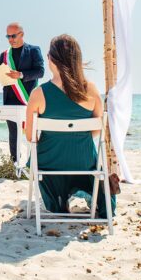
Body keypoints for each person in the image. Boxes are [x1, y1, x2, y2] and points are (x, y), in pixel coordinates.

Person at [24, 34, 116, 217]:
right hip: (84, 162)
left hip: (49, 164)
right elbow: (96, 130)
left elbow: (30, 137)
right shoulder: (91, 89)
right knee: (88, 157)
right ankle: (80, 194)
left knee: (37, 154)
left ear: (51, 59)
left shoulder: (39, 93)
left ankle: (64, 197)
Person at [0, 22, 44, 161]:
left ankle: (34, 162)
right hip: (10, 98)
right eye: (8, 36)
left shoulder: (34, 50)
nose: (10, 39)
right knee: (13, 134)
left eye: (13, 36)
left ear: (21, 34)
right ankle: (14, 163)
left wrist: (21, 75)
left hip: (28, 98)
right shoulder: (4, 55)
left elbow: (40, 72)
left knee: (33, 132)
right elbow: (0, 74)